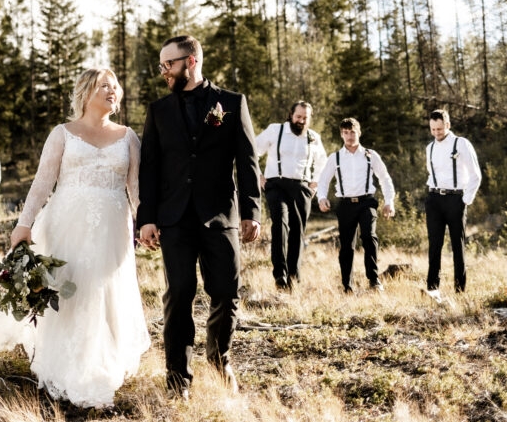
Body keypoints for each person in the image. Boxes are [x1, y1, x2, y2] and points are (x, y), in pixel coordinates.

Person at [0, 69, 149, 409]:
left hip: (113, 225)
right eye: (104, 86)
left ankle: (100, 359)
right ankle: (65, 360)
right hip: (65, 221)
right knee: (68, 286)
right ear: (85, 93)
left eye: (115, 85)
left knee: (103, 288)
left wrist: (146, 223)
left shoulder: (128, 137)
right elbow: (42, 182)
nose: (113, 90)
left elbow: (136, 189)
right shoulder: (62, 133)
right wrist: (23, 224)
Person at [138, 35, 262, 399]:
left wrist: (252, 211)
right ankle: (178, 380)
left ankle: (219, 356)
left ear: (190, 61)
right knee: (179, 293)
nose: (164, 72)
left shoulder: (232, 103)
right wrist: (146, 217)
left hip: (220, 214)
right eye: (162, 66)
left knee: (227, 292)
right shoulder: (158, 111)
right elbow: (149, 168)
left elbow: (248, 161)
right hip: (174, 218)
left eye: (169, 64)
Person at [254, 101, 327, 290]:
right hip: (276, 185)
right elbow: (252, 151)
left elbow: (323, 163)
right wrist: (259, 177)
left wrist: (315, 184)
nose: (301, 121)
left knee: (298, 230)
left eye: (305, 118)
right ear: (291, 115)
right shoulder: (275, 130)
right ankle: (280, 275)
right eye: (298, 116)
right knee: (280, 225)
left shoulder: (313, 137)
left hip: (302, 187)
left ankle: (294, 277)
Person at [317, 118, 395, 293]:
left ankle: (374, 280)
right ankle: (347, 285)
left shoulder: (370, 155)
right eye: (345, 132)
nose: (349, 136)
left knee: (369, 237)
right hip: (345, 205)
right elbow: (323, 181)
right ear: (341, 134)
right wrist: (322, 198)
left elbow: (384, 178)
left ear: (359, 132)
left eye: (352, 132)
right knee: (346, 246)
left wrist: (389, 202)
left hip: (367, 202)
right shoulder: (335, 157)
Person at [424, 109, 481, 300]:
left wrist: (466, 200)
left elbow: (476, 175)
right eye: (433, 129)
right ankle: (432, 289)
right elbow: (432, 173)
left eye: (439, 129)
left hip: (456, 199)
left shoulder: (461, 143)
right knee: (434, 245)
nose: (436, 133)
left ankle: (460, 291)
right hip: (434, 200)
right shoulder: (429, 148)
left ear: (447, 125)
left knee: (458, 245)